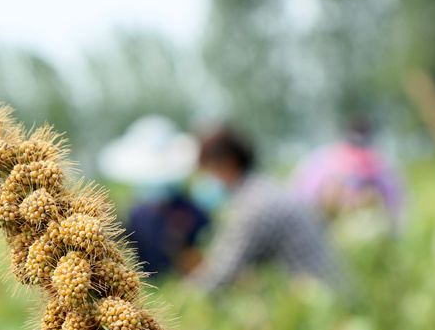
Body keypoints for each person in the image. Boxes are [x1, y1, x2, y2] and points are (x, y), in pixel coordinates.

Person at [191, 126, 344, 294]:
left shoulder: (254, 205)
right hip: (330, 290)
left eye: (207, 170)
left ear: (227, 163)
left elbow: (218, 275)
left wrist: (184, 297)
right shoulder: (265, 187)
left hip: (323, 299)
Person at [97, 116, 210, 277]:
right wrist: (107, 220)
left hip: (183, 285)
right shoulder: (138, 213)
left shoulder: (191, 210)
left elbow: (202, 251)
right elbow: (127, 243)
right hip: (147, 286)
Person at [292, 113, 405, 235]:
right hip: (322, 219)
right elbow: (303, 197)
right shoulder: (325, 160)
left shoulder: (379, 163)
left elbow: (394, 200)